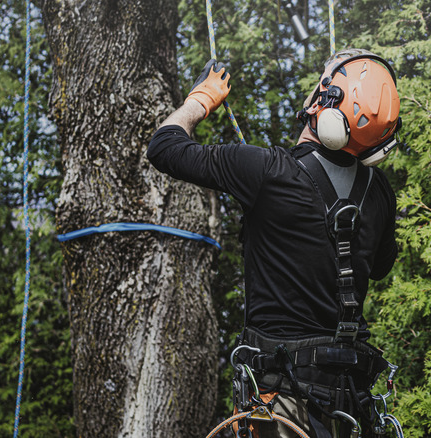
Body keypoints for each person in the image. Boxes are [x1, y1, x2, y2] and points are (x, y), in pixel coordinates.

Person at [147, 48, 401, 438]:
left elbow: (164, 147)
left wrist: (199, 99)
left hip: (280, 403)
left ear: (326, 103)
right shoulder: (379, 192)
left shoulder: (267, 172)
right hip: (348, 407)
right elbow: (380, 267)